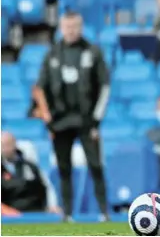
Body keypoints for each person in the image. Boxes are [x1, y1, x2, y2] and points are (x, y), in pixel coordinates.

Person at [37, 12, 110, 222]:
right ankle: (67, 214)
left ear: (81, 27)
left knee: (96, 166)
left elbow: (104, 86)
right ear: (61, 28)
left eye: (75, 27)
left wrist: (96, 121)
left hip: (87, 122)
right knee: (64, 168)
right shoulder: (52, 54)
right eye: (67, 27)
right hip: (60, 122)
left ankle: (104, 213)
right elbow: (41, 88)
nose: (71, 31)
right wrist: (48, 119)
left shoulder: (93, 52)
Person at [1, 132, 61, 215]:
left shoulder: (31, 166)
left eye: (7, 144)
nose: (4, 148)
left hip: (36, 212)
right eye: (2, 145)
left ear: (14, 144)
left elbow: (47, 186)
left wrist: (52, 205)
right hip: (9, 214)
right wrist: (4, 209)